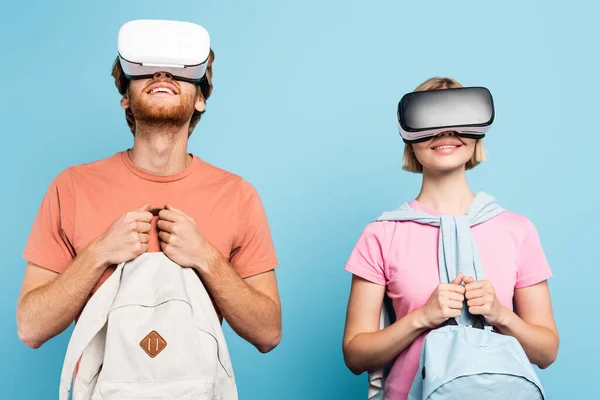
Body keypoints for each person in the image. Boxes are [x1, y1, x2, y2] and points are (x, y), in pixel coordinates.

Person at [16, 28, 282, 359]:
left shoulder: (238, 196)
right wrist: (99, 252)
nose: (162, 74)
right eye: (147, 68)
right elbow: (30, 328)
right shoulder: (71, 187)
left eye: (178, 70)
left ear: (201, 99)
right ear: (125, 96)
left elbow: (268, 333)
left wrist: (206, 257)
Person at [342, 77, 559, 399]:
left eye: (458, 120)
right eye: (431, 122)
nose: (445, 133)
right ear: (409, 137)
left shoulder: (517, 230)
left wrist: (501, 315)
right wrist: (422, 318)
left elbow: (546, 352)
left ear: (477, 132)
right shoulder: (383, 234)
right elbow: (356, 356)